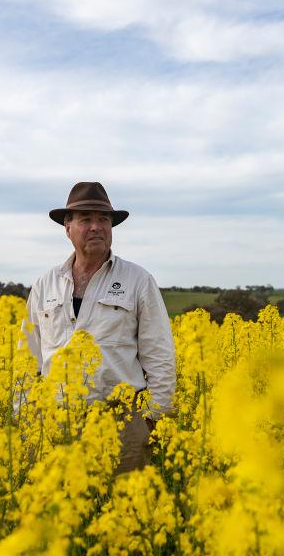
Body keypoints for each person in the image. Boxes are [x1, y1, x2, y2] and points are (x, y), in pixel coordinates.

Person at [22, 181, 176, 473]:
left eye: (103, 219)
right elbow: (28, 358)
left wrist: (153, 418)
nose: (96, 227)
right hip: (55, 421)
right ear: (67, 227)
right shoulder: (45, 285)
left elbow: (160, 353)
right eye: (85, 220)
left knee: (123, 511)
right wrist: (26, 415)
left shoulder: (138, 280)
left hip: (121, 421)